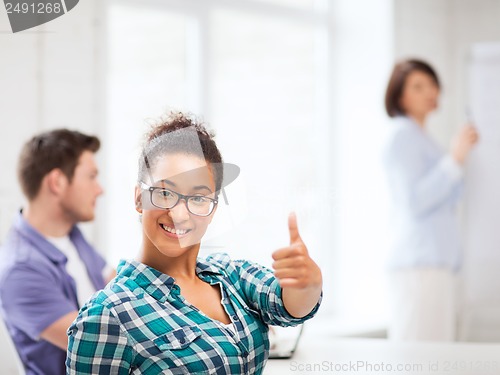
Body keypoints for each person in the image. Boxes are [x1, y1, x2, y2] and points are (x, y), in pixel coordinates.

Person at [66, 112, 323, 374]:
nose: (179, 214)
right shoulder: (108, 315)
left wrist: (308, 284)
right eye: (165, 193)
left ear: (213, 209)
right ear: (139, 198)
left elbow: (289, 305)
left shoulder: (233, 278)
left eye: (199, 198)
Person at [0, 129, 115, 375]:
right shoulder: (20, 271)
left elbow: (114, 282)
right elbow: (98, 346)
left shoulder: (70, 233)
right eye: (91, 177)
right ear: (57, 182)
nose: (99, 190)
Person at [383, 59, 479, 341]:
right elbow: (414, 201)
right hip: (419, 262)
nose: (430, 92)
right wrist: (455, 159)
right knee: (417, 357)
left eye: (433, 84)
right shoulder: (401, 135)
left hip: (434, 262)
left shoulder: (423, 137)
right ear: (400, 95)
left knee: (433, 355)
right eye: (418, 86)